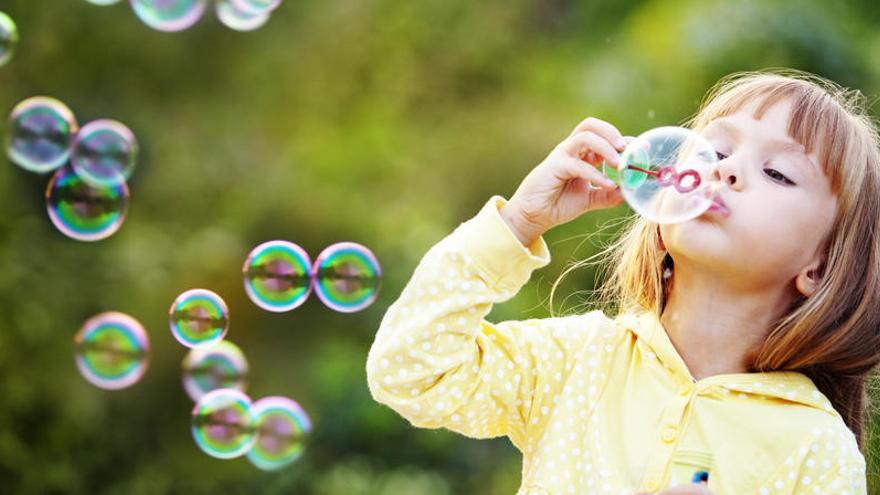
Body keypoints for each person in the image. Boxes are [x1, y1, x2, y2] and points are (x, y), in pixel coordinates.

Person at [365, 70, 880, 494]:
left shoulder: (815, 449)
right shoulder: (578, 361)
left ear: (820, 265)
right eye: (716, 151)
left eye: (777, 173)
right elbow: (410, 371)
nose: (726, 171)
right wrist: (519, 222)